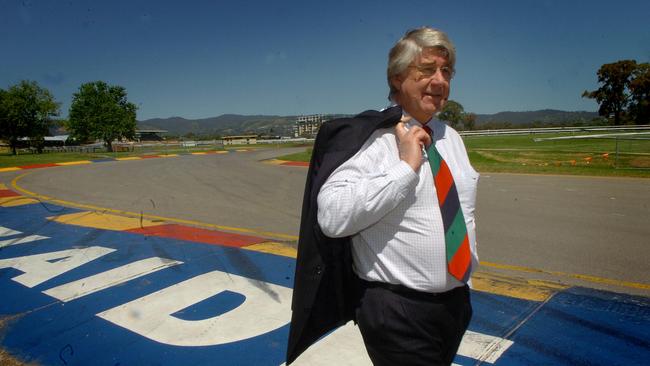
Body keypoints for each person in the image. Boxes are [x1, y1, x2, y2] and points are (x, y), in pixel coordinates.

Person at [287, 27, 479, 366]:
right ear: (397, 77)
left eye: (446, 72)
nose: (440, 81)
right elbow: (331, 217)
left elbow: (460, 214)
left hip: (455, 306)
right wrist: (404, 169)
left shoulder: (451, 138)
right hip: (398, 312)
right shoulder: (372, 138)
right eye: (427, 70)